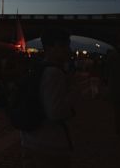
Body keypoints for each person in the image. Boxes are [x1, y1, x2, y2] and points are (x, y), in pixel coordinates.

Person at [21, 27, 77, 168]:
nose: (68, 50)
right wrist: (73, 97)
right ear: (54, 46)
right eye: (65, 45)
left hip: (30, 140)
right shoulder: (54, 73)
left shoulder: (38, 68)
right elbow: (55, 112)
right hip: (48, 146)